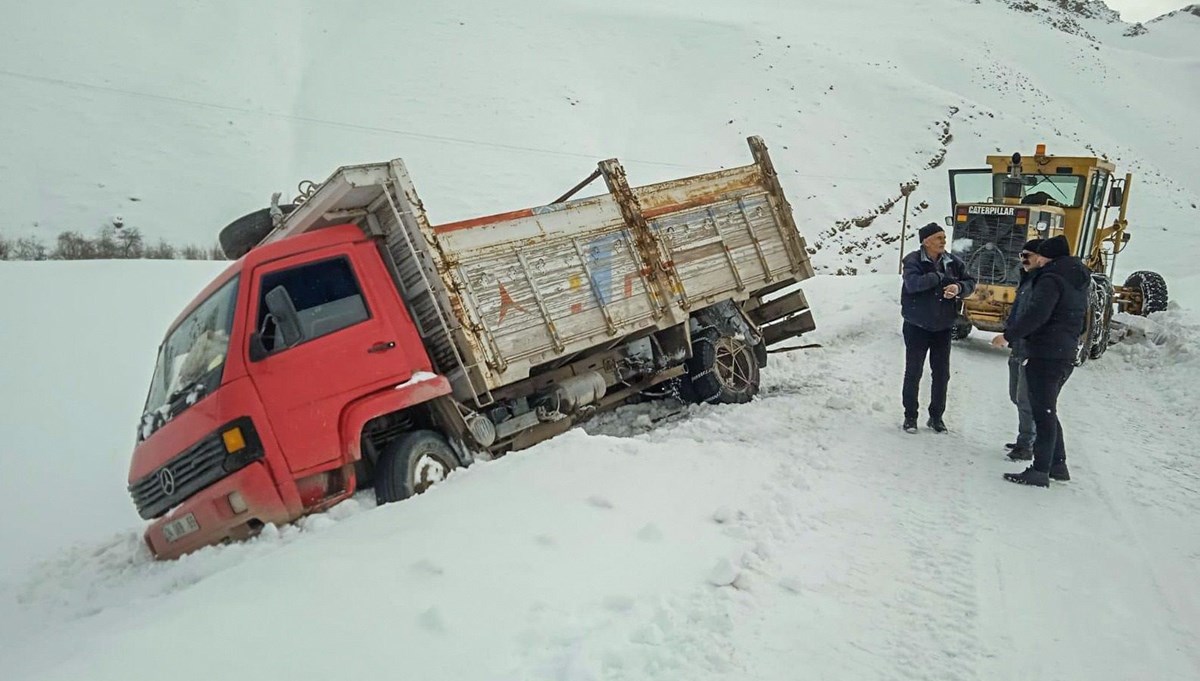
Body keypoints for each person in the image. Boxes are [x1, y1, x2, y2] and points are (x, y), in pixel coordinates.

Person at [990, 235, 1089, 486]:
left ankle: (1040, 470)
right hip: (1064, 352)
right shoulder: (1077, 280)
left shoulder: (1050, 278)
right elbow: (1084, 321)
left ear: (1048, 256)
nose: (1039, 260)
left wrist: (1008, 336)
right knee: (1047, 410)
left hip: (1045, 353)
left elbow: (1037, 314)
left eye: (1041, 255)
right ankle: (1058, 465)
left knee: (1041, 412)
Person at [900, 222, 977, 434]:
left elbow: (971, 282)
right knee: (913, 371)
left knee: (942, 374)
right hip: (917, 325)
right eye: (938, 238)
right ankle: (910, 416)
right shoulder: (913, 261)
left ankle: (936, 417)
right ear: (926, 241)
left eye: (944, 237)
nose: (944, 241)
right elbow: (913, 285)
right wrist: (939, 277)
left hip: (943, 326)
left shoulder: (953, 261)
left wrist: (959, 287)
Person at [1003, 239, 1044, 461]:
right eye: (1021, 255)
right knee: (1016, 396)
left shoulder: (1043, 283)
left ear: (1040, 257)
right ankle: (1028, 437)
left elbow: (1033, 316)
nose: (1023, 260)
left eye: (1027, 255)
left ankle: (1026, 443)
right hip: (1018, 346)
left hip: (1029, 348)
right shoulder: (1027, 279)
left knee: (1025, 398)